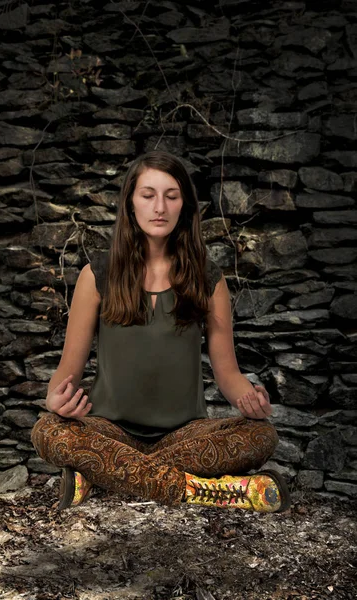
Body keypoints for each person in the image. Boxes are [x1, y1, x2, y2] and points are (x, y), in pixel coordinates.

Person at [30, 150, 291, 514]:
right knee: (48, 430)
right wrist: (53, 400)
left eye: (171, 195)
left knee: (262, 435)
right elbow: (67, 370)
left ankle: (100, 474)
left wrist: (252, 400)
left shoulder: (208, 279)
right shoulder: (96, 276)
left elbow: (228, 374)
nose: (160, 207)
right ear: (130, 203)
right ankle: (195, 489)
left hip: (183, 435)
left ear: (184, 205)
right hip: (109, 431)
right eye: (148, 195)